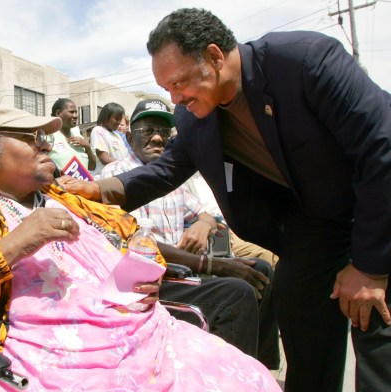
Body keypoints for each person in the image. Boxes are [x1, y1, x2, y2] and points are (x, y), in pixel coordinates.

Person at [60, 8, 391, 392]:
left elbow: (384, 149)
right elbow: (165, 170)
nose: (175, 99)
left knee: (376, 323)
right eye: (166, 88)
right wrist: (95, 191)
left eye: (179, 82)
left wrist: (370, 266)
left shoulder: (305, 61)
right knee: (302, 317)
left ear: (214, 56)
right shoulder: (194, 117)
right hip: (318, 216)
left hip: (384, 191)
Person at [0, 104, 300, 392]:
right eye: (32, 138)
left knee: (251, 383)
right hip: (52, 360)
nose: (46, 145)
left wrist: (139, 271)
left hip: (137, 336)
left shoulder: (63, 198)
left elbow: (133, 237)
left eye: (45, 138)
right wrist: (12, 244)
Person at [100, 98, 279, 368]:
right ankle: (230, 383)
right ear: (129, 136)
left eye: (164, 131)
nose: (158, 137)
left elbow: (206, 214)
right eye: (148, 131)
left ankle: (260, 370)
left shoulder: (168, 177)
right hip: (150, 280)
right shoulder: (116, 174)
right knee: (238, 292)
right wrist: (211, 264)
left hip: (183, 268)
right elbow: (135, 243)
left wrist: (202, 225)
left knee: (261, 268)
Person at [47, 98, 96, 174]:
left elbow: (92, 167)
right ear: (58, 113)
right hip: (59, 184)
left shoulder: (78, 136)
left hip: (83, 184)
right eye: (71, 112)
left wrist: (87, 147)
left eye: (76, 112)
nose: (76, 115)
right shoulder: (48, 136)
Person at [90, 102, 129, 175]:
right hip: (105, 177)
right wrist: (126, 165)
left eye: (120, 119)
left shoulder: (117, 136)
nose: (118, 122)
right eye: (116, 118)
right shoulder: (98, 130)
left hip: (119, 175)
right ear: (106, 116)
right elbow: (104, 159)